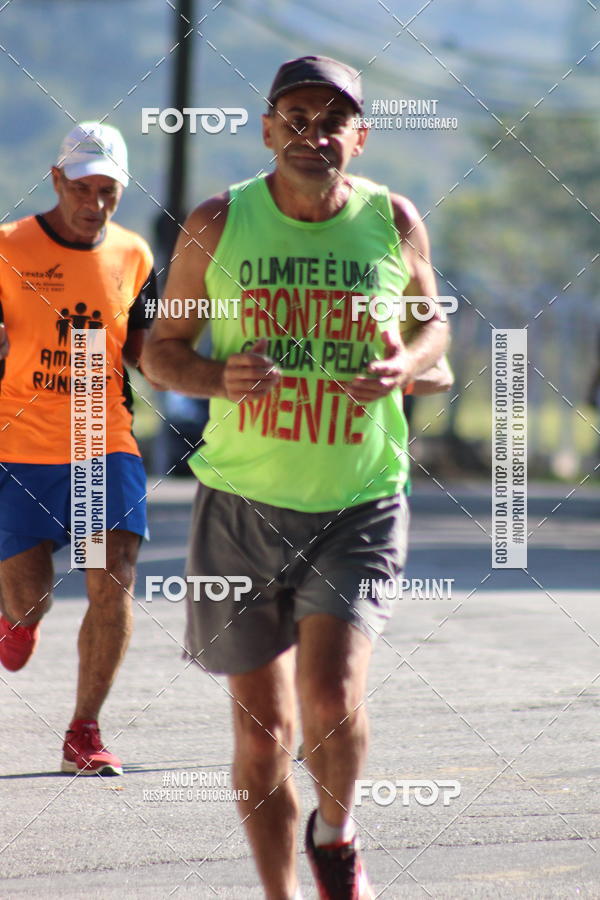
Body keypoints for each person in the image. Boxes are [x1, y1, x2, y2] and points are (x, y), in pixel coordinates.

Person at [142, 55, 450, 900]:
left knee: (329, 694)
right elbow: (159, 354)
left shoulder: (392, 220)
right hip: (241, 502)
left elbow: (435, 342)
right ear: (269, 127)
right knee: (263, 729)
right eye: (297, 117)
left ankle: (337, 832)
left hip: (358, 499)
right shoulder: (215, 223)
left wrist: (403, 369)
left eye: (332, 119)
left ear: (360, 135)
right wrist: (218, 379)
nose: (314, 133)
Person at [0, 122, 156, 776]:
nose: (95, 202)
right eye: (83, 186)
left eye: (109, 190)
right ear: (57, 179)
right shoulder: (8, 247)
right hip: (21, 446)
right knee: (31, 597)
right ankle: (19, 619)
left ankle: (84, 734)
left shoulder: (135, 255)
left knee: (111, 577)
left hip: (102, 440)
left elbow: (149, 355)